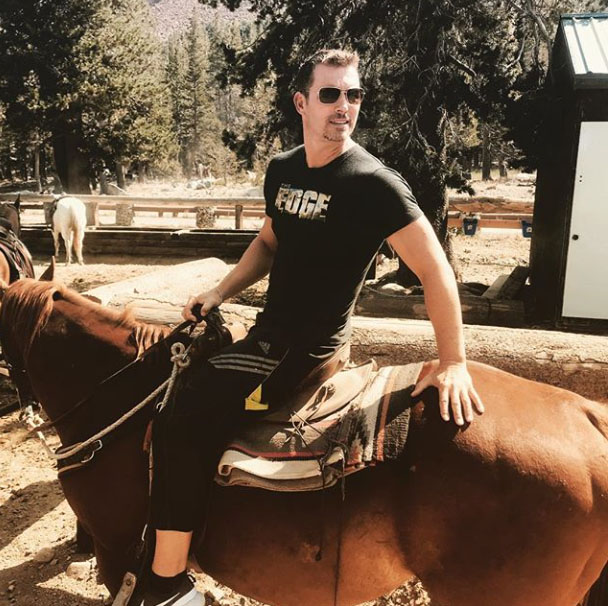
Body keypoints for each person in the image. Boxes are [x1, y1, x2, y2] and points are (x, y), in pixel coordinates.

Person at [134, 48, 484, 606]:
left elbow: (435, 269)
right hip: (267, 336)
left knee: (180, 415)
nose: (345, 106)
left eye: (354, 94)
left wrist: (454, 361)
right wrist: (220, 291)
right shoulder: (283, 169)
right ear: (302, 102)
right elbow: (269, 242)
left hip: (306, 351)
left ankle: (168, 583)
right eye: (331, 94)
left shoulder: (375, 184)